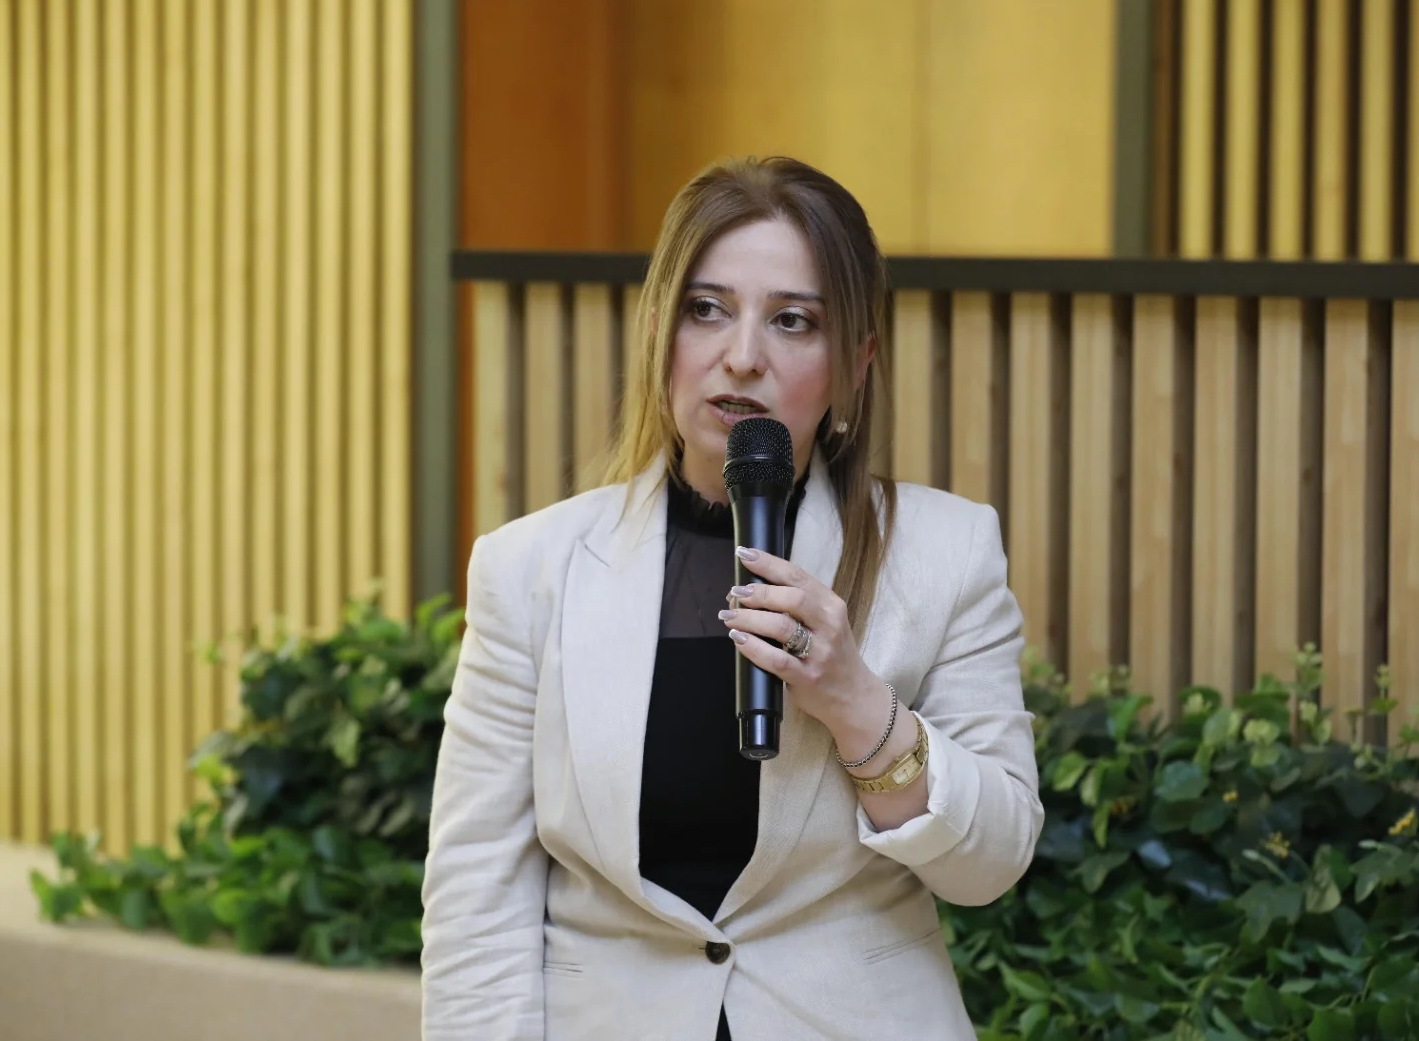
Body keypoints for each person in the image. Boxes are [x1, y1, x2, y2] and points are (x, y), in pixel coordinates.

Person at [419, 156, 1043, 1041]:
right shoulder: (530, 569)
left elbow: (992, 864)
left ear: (855, 362)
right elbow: (477, 892)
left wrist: (857, 705)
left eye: (793, 321)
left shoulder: (946, 553)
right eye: (706, 309)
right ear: (659, 334)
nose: (743, 356)